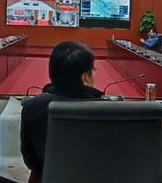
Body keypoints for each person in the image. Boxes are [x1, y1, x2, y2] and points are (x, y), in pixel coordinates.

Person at [20, 41, 103, 175]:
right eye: (93, 70)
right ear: (85, 78)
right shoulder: (107, 109)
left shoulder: (32, 107)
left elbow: (30, 161)